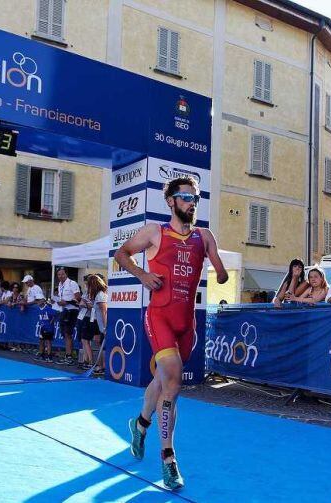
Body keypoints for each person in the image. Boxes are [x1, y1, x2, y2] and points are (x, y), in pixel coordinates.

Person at [116, 176, 228, 491]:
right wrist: (142, 274)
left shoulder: (204, 237)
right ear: (171, 201)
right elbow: (121, 254)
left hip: (186, 324)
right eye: (186, 197)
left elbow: (218, 269)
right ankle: (168, 458)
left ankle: (140, 425)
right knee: (174, 382)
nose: (192, 202)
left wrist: (218, 273)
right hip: (160, 316)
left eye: (196, 197)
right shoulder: (154, 232)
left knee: (163, 381)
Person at [53, 267, 81, 366]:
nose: (60, 276)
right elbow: (62, 299)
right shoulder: (60, 284)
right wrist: (58, 302)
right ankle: (67, 355)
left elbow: (78, 297)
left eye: (62, 274)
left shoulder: (72, 283)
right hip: (63, 310)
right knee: (65, 334)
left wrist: (67, 302)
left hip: (72, 310)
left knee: (68, 334)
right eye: (59, 275)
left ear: (66, 274)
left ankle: (69, 356)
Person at [86, 274, 108, 374]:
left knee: (103, 347)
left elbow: (104, 311)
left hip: (104, 326)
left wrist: (105, 327)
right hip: (101, 326)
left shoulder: (100, 295)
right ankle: (101, 365)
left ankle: (102, 366)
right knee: (101, 345)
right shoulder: (99, 295)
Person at [23, 275, 46, 357]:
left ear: (31, 280)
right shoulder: (29, 288)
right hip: (31, 312)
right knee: (34, 330)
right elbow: (26, 298)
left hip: (37, 312)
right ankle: (37, 349)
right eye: (25, 282)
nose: (26, 283)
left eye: (27, 282)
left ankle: (41, 350)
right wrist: (23, 303)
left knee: (40, 331)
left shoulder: (37, 288)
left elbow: (39, 300)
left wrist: (26, 304)